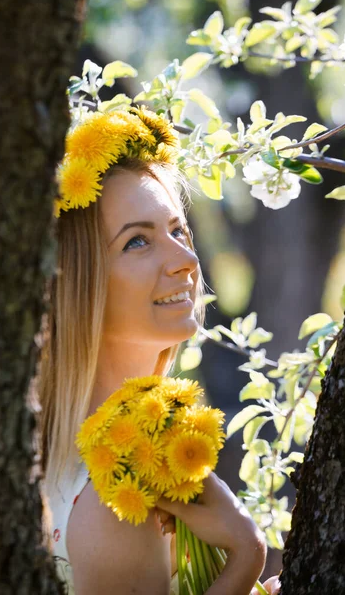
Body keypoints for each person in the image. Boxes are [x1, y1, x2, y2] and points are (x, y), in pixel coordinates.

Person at [39, 107, 281, 595]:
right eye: (137, 243)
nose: (187, 260)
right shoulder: (121, 492)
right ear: (80, 285)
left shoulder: (93, 447)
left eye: (177, 230)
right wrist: (245, 556)